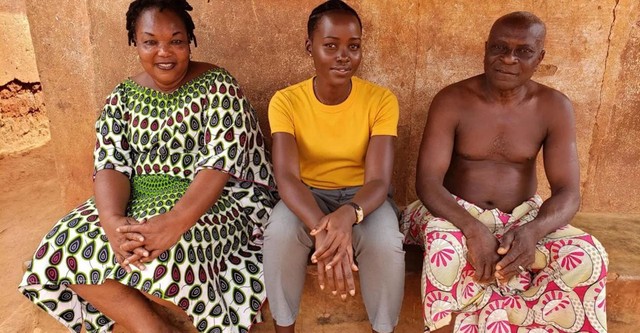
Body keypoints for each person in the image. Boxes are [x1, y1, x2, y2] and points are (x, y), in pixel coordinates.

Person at [18, 1, 276, 332]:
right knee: (62, 245)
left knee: (170, 255)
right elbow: (110, 164)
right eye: (150, 41)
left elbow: (218, 166)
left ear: (190, 41)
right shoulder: (122, 97)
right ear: (135, 43)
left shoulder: (218, 85)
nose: (164, 52)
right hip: (141, 195)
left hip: (218, 199)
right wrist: (112, 223)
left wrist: (174, 223)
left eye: (176, 41)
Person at [401, 11, 609, 333]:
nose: (508, 59)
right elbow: (427, 183)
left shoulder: (554, 107)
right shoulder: (452, 100)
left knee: (587, 255)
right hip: (452, 212)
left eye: (523, 51)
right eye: (499, 48)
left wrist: (533, 231)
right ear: (486, 49)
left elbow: (568, 192)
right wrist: (471, 229)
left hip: (522, 218)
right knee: (445, 248)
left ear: (540, 57)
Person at [262, 1, 405, 332]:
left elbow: (379, 181)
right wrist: (326, 232)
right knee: (280, 233)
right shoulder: (286, 102)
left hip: (364, 198)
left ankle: (384, 329)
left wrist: (347, 216)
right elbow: (286, 178)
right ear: (310, 47)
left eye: (353, 47)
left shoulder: (381, 101)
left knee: (386, 242)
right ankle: (284, 328)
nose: (344, 56)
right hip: (305, 195)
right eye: (331, 46)